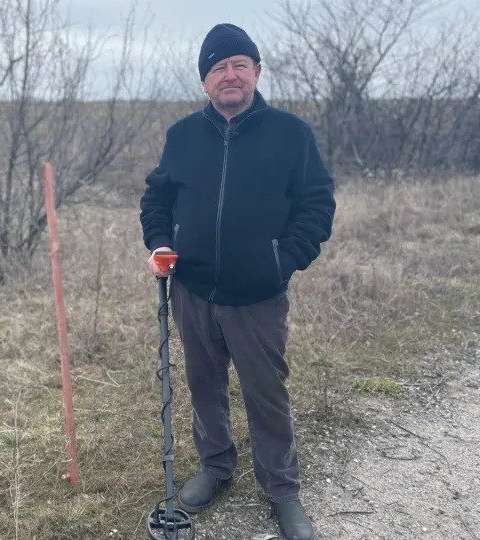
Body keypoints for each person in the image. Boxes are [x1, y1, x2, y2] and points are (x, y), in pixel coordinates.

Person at [139, 23, 336, 540]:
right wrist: (159, 244)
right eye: (218, 67)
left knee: (266, 393)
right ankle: (216, 469)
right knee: (205, 387)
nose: (230, 75)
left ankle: (282, 490)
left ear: (257, 72)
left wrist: (283, 258)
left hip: (258, 295)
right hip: (192, 289)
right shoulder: (182, 136)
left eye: (239, 65)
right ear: (205, 80)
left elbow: (317, 204)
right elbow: (157, 199)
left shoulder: (291, 135)